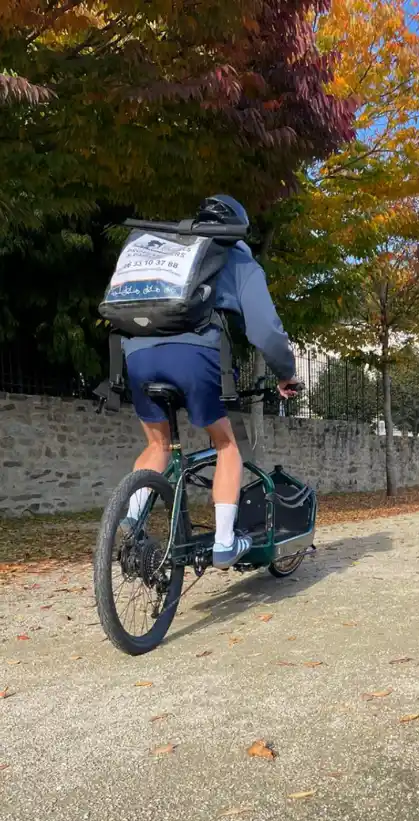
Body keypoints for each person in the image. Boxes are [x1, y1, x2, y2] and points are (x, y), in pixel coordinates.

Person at [121, 195, 297, 569]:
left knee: (159, 446)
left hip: (136, 352)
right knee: (226, 444)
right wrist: (285, 373)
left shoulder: (171, 249)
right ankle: (223, 543)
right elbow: (266, 332)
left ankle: (126, 521)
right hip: (192, 357)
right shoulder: (238, 257)